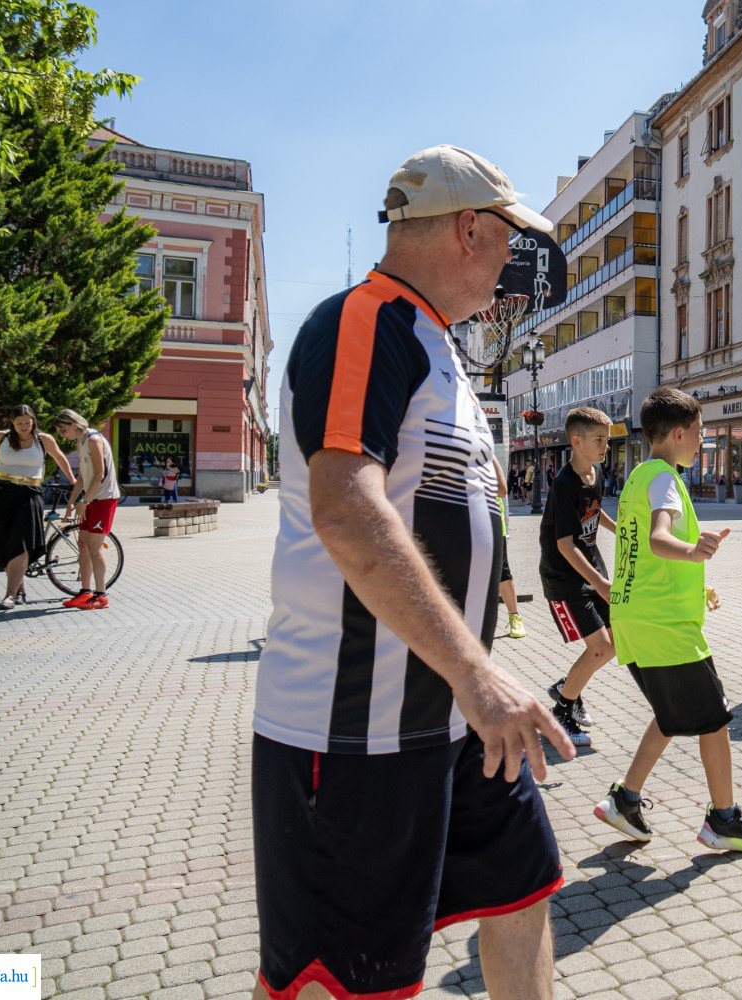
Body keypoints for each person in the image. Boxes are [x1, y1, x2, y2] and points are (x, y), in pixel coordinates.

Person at [252, 145, 573, 1000]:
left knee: (524, 890)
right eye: (509, 240)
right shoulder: (366, 322)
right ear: (470, 229)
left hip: (456, 715)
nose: (513, 263)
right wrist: (476, 671)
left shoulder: (441, 351)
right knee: (335, 981)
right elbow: (347, 510)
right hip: (354, 729)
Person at [594, 386, 742, 852]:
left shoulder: (639, 475)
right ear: (677, 433)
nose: (701, 440)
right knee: (713, 719)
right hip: (664, 625)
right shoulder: (665, 481)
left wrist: (697, 579)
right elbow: (658, 539)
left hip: (636, 617)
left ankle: (625, 800)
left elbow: (642, 551)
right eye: (698, 433)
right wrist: (694, 551)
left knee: (672, 715)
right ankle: (724, 819)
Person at [541, 407, 618, 748]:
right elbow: (565, 545)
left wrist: (621, 531)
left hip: (593, 566)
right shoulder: (563, 484)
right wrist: (601, 584)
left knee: (617, 641)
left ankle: (566, 687)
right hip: (565, 576)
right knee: (599, 647)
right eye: (599, 440)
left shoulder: (594, 475)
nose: (606, 446)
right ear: (577, 440)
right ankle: (560, 714)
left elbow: (593, 509)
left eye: (607, 439)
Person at [0, 404, 74, 609]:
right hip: (0, 493)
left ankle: (9, 595)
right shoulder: (2, 437)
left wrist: (73, 482)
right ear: (12, 423)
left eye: (28, 422)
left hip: (29, 493)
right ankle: (19, 589)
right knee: (5, 543)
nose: (24, 426)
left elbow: (59, 457)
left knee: (20, 542)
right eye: (19, 423)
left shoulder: (44, 440)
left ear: (33, 421)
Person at [53, 409, 120, 611]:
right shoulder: (81, 441)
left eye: (64, 430)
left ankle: (101, 596)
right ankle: (85, 592)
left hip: (104, 498)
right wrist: (71, 503)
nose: (62, 436)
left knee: (93, 546)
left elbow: (99, 475)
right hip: (91, 498)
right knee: (82, 543)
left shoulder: (94, 440)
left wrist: (85, 501)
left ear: (75, 425)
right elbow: (82, 477)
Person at [494, 458, 527, 640]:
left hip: (493, 524)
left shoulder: (486, 456)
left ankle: (515, 616)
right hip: (462, 523)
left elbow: (502, 488)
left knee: (502, 572)